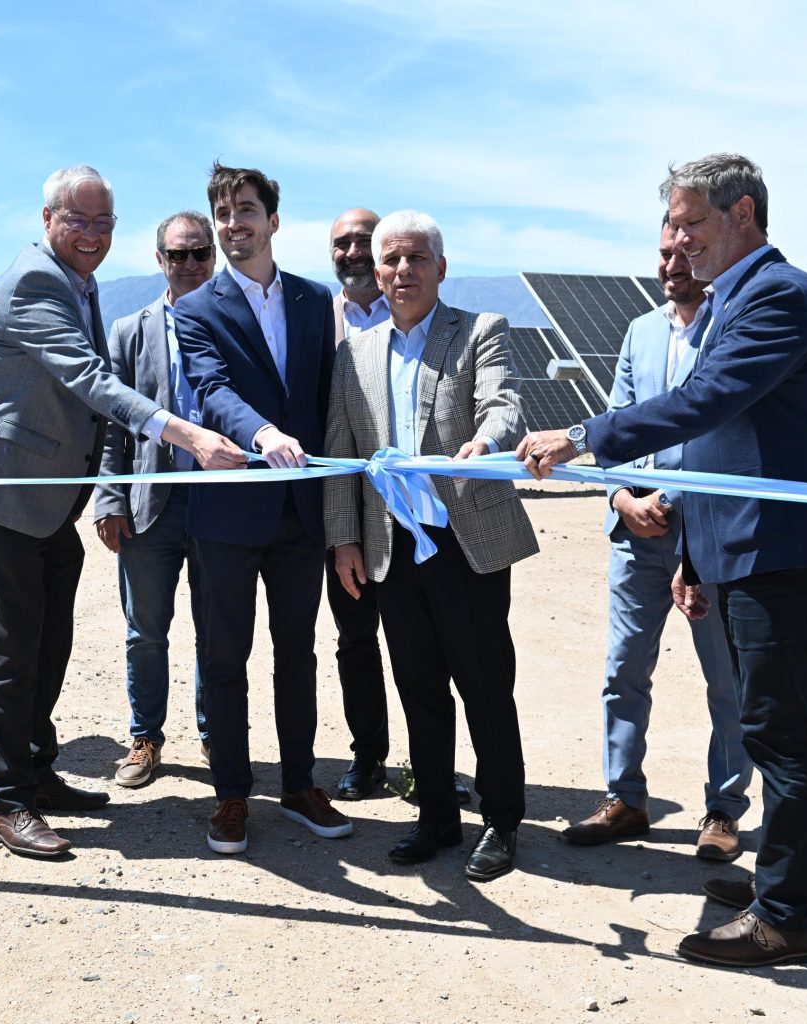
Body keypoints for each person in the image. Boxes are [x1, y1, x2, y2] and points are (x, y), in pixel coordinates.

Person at [517, 153, 807, 966]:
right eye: (672, 226)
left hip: (781, 553)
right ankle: (803, 884)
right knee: (778, 727)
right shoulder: (733, 300)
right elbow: (724, 449)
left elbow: (707, 404)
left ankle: (784, 919)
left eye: (690, 223)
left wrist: (583, 436)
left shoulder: (780, 295)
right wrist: (698, 558)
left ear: (742, 213)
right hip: (741, 549)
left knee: (778, 733)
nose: (677, 240)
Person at [0, 165, 245, 859]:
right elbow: (89, 378)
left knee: (49, 639)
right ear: (47, 219)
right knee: (15, 644)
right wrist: (186, 433)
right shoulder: (36, 280)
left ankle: (36, 771)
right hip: (1, 492)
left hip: (48, 498)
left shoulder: (78, 278)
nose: (92, 235)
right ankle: (7, 801)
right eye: (78, 220)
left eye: (104, 222)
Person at [324, 211, 534, 880]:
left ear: (440, 268)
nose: (402, 270)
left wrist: (486, 442)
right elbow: (341, 451)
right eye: (390, 260)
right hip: (390, 547)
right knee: (417, 685)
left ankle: (501, 819)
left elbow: (504, 405)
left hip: (465, 543)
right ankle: (436, 813)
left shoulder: (479, 331)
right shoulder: (354, 354)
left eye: (416, 258)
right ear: (376, 270)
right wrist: (344, 540)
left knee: (485, 685)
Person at [562, 217, 753, 861]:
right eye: (664, 253)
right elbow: (617, 425)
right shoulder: (639, 331)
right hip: (634, 532)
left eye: (684, 253)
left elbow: (719, 434)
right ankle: (625, 799)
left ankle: (724, 810)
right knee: (624, 672)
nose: (672, 265)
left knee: (725, 679)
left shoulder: (728, 329)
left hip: (705, 535)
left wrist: (669, 502)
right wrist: (621, 498)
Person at [174, 161, 349, 855]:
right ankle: (231, 794)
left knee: (297, 653)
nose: (232, 224)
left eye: (245, 210)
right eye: (222, 213)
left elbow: (332, 397)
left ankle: (300, 784)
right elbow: (212, 389)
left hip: (300, 512)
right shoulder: (196, 309)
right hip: (227, 515)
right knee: (224, 657)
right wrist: (264, 433)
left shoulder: (315, 300)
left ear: (273, 220)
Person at [93, 211, 217, 786]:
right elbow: (111, 426)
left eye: (200, 253)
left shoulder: (234, 324)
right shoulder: (128, 332)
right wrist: (109, 499)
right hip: (149, 508)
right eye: (178, 255)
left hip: (221, 506)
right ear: (159, 260)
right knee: (145, 631)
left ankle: (217, 734)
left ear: (213, 256)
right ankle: (145, 738)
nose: (190, 264)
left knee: (217, 630)